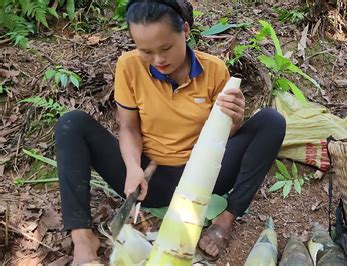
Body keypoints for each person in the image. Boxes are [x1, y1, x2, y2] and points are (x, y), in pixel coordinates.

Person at [55, 0, 286, 264]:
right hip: (149, 180)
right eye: (146, 51)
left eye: (165, 48)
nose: (158, 60)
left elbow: (224, 138)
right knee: (71, 124)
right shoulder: (129, 67)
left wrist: (235, 118)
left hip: (203, 178)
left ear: (185, 31)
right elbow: (129, 128)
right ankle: (83, 239)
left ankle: (225, 220)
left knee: (272, 122)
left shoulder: (213, 71)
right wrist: (132, 168)